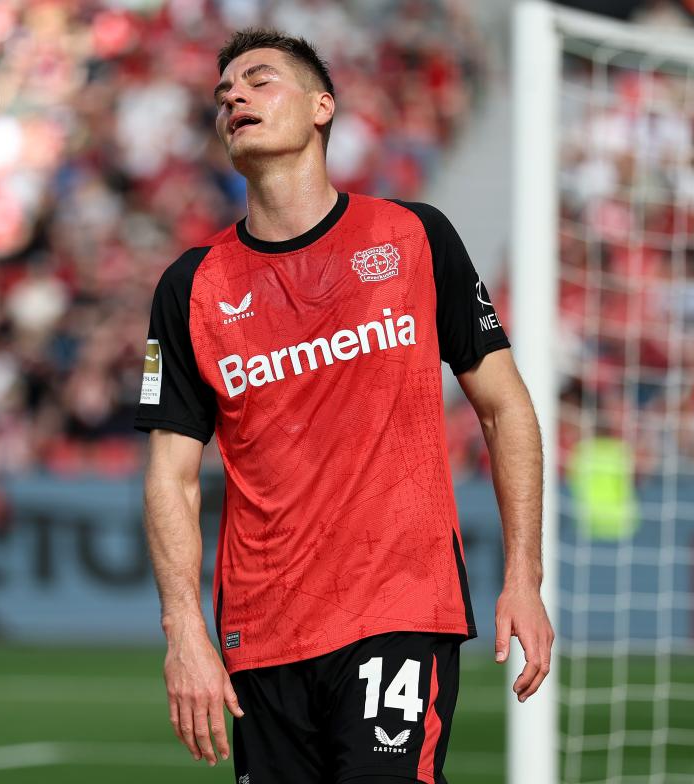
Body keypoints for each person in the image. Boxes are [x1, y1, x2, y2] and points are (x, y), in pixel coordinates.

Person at [135, 28, 553, 784]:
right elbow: (170, 476)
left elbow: (504, 407)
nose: (233, 96)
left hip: (399, 608)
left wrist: (524, 573)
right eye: (224, 91)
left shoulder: (415, 236)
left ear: (321, 106)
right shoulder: (191, 286)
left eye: (259, 80)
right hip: (260, 635)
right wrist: (182, 629)